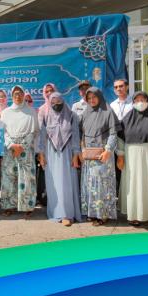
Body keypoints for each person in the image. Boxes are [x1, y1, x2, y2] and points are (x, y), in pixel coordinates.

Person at [116, 91, 148, 227]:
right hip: (131, 156)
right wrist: (120, 155)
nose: (140, 102)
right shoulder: (127, 118)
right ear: (133, 103)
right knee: (134, 184)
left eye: (143, 99)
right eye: (137, 100)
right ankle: (134, 215)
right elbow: (120, 138)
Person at [37, 92, 82, 226]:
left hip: (68, 154)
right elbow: (41, 137)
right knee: (54, 185)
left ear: (63, 101)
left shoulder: (72, 116)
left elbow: (75, 136)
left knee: (67, 184)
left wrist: (75, 155)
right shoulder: (45, 116)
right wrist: (41, 154)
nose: (56, 104)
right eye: (53, 101)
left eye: (59, 101)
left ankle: (67, 214)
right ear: (49, 103)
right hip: (51, 154)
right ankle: (57, 213)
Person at [80, 87, 119, 226]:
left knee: (101, 185)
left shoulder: (108, 111)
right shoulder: (86, 113)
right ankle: (92, 212)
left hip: (102, 154)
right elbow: (82, 134)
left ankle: (102, 214)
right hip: (89, 156)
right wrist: (82, 150)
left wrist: (108, 150)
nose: (92, 100)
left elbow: (114, 134)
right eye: (89, 98)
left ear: (100, 97)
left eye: (94, 97)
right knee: (90, 184)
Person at [0, 86, 39, 218]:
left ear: (23, 95)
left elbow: (34, 131)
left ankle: (27, 206)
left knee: (26, 177)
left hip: (25, 148)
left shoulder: (31, 111)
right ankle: (9, 205)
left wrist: (22, 146)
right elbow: (3, 131)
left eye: (20, 93)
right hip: (10, 148)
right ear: (12, 96)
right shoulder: (6, 112)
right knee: (9, 177)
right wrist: (12, 145)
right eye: (15, 94)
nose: (18, 96)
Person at [36, 83, 56, 208]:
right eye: (46, 91)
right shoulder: (42, 109)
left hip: (61, 149)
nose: (49, 93)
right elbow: (39, 132)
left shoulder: (62, 106)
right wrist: (40, 152)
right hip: (47, 148)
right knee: (49, 174)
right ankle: (49, 201)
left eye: (51, 90)